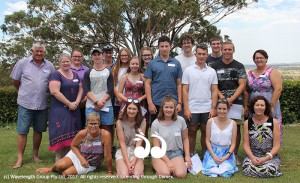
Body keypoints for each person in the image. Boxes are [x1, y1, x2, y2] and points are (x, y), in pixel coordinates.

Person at [10, 41, 55, 168]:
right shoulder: (22, 63)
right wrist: (23, 92)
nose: (39, 53)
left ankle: (35, 155)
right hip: (25, 103)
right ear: (32, 51)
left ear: (44, 52)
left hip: (42, 104)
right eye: (37, 51)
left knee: (38, 130)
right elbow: (15, 80)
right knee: (22, 131)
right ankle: (20, 159)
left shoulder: (50, 66)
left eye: (41, 51)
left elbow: (54, 82)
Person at [35, 112, 113, 176]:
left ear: (99, 123)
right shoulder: (82, 133)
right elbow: (73, 145)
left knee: (66, 174)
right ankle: (50, 169)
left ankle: (71, 166)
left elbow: (107, 156)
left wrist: (110, 172)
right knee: (59, 166)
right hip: (77, 155)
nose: (93, 126)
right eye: (90, 124)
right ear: (87, 123)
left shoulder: (105, 135)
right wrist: (81, 159)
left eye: (95, 124)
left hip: (90, 163)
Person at [211, 41, 247, 165]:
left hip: (236, 103)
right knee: (218, 128)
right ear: (221, 50)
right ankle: (218, 153)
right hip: (220, 103)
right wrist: (223, 100)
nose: (227, 52)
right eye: (225, 49)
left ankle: (234, 154)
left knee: (235, 129)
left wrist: (230, 100)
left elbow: (242, 85)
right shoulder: (214, 66)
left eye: (229, 49)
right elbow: (214, 85)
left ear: (233, 50)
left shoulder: (239, 66)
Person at [182, 44, 218, 158]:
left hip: (207, 107)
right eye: (199, 54)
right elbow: (184, 90)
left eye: (203, 54)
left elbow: (214, 90)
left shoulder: (212, 71)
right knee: (191, 132)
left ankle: (206, 156)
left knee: (205, 132)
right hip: (192, 107)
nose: (201, 56)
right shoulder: (188, 70)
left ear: (207, 55)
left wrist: (213, 108)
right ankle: (191, 156)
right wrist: (186, 108)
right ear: (195, 54)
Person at [48, 53, 83, 162]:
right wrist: (69, 104)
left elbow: (81, 89)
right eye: (63, 61)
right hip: (60, 109)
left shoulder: (75, 75)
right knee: (61, 132)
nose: (66, 63)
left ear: (70, 62)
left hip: (74, 109)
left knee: (73, 133)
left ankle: (69, 159)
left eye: (67, 61)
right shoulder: (56, 74)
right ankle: (58, 159)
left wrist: (77, 102)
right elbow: (54, 91)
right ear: (59, 63)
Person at [245, 49, 283, 143]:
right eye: (256, 58)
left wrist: (272, 106)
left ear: (266, 59)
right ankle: (256, 148)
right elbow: (247, 90)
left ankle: (272, 149)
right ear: (254, 60)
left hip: (269, 102)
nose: (259, 60)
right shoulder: (250, 73)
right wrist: (246, 105)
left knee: (270, 124)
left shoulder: (272, 71)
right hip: (254, 104)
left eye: (261, 58)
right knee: (255, 125)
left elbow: (278, 89)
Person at [144, 36, 183, 124]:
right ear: (158, 47)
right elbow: (147, 84)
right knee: (156, 130)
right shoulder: (152, 63)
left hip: (173, 104)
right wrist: (150, 103)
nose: (164, 49)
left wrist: (179, 103)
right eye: (162, 46)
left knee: (173, 130)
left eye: (166, 46)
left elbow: (179, 84)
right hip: (156, 103)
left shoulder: (176, 63)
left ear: (170, 47)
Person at [151, 95, 191, 179]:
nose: (168, 110)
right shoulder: (156, 123)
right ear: (162, 108)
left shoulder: (181, 120)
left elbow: (185, 139)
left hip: (176, 153)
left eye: (171, 107)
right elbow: (157, 148)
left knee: (181, 174)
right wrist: (168, 162)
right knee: (165, 174)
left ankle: (167, 167)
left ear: (175, 108)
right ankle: (157, 164)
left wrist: (187, 156)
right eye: (166, 107)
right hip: (160, 154)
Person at [242, 96, 282, 177]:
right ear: (253, 107)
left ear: (266, 107)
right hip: (253, 156)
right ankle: (261, 170)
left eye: (262, 105)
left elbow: (277, 145)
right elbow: (246, 144)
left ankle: (268, 169)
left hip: (270, 156)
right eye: (257, 105)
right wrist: (252, 158)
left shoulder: (273, 122)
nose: (259, 107)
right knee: (247, 169)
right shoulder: (247, 123)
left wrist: (266, 158)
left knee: (268, 170)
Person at [83, 48, 114, 144]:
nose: (97, 57)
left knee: (107, 127)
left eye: (99, 54)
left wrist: (101, 102)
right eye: (94, 55)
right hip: (92, 106)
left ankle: (108, 148)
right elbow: (86, 90)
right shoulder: (88, 73)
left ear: (102, 56)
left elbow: (110, 89)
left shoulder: (108, 72)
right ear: (92, 57)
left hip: (106, 105)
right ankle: (92, 148)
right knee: (92, 128)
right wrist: (96, 102)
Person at [202, 98, 238, 178]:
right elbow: (207, 140)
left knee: (225, 173)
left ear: (228, 109)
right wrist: (214, 155)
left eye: (224, 109)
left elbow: (233, 143)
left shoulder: (233, 123)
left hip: (226, 152)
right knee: (212, 171)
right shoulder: (210, 121)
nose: (222, 111)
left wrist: (227, 155)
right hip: (213, 151)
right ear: (216, 109)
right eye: (219, 108)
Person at [115, 99, 146, 178]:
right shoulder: (120, 122)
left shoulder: (143, 122)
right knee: (124, 175)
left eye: (134, 109)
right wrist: (128, 162)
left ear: (138, 110)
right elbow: (122, 143)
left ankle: (137, 167)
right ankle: (121, 166)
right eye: (129, 108)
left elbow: (139, 143)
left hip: (136, 150)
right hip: (123, 151)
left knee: (137, 175)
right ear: (126, 109)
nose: (131, 111)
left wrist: (134, 161)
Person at [70, 48, 89, 128]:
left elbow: (90, 86)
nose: (77, 58)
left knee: (80, 126)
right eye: (75, 56)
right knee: (69, 126)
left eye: (79, 56)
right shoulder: (66, 68)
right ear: (71, 57)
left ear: (82, 57)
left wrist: (85, 100)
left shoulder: (87, 70)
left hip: (83, 103)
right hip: (69, 103)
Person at [112, 48, 132, 119]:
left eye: (126, 55)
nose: (124, 57)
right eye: (122, 55)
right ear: (119, 57)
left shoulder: (132, 67)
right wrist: (118, 97)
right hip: (118, 98)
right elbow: (113, 85)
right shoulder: (115, 68)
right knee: (119, 119)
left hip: (130, 97)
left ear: (129, 56)